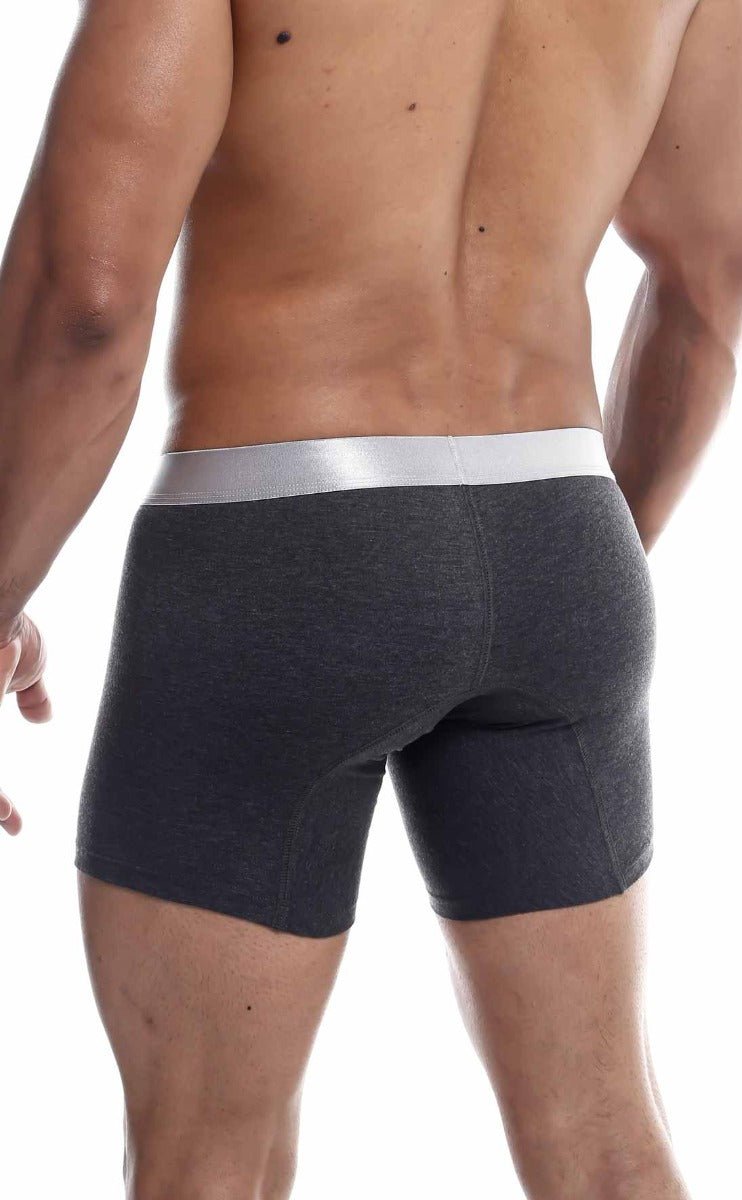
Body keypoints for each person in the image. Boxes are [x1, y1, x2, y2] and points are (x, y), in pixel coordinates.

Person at [0, 1, 739, 1196]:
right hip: (560, 528)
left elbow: (83, 303)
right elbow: (712, 273)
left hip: (277, 550)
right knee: (607, 1146)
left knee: (207, 1164)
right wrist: (578, 574)